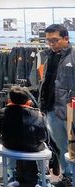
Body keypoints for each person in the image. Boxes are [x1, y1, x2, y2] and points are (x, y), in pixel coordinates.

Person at [39, 24, 75, 187]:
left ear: (66, 38)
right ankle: (67, 177)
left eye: (55, 40)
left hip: (70, 110)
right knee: (60, 146)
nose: (51, 44)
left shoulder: (73, 56)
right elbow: (45, 82)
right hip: (51, 109)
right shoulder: (48, 56)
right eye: (48, 41)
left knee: (72, 148)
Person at [0, 85, 49, 186]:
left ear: (10, 99)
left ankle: (11, 173)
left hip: (10, 144)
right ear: (27, 100)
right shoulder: (37, 114)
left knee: (13, 147)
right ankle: (44, 175)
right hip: (32, 147)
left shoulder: (3, 112)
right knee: (44, 147)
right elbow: (43, 136)